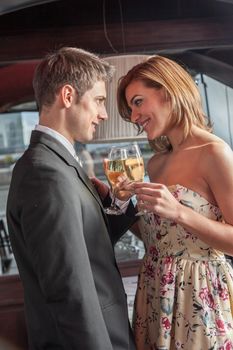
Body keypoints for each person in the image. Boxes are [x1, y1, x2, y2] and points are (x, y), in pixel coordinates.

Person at [7, 47, 136, 350]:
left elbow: (87, 247)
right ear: (68, 96)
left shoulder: (58, 162)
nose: (104, 114)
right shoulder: (45, 173)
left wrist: (117, 204)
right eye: (99, 100)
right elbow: (70, 289)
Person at [117, 55, 233, 349]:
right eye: (131, 107)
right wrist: (117, 203)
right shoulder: (155, 163)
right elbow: (158, 239)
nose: (134, 116)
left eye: (138, 101)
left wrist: (179, 212)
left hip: (198, 294)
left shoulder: (214, 152)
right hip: (155, 289)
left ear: (168, 91)